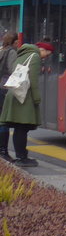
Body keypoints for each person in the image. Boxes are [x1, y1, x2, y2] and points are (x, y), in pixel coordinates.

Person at [0, 40, 53, 167]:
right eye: (47, 53)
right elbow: (33, 81)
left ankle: (21, 156)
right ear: (42, 50)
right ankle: (22, 157)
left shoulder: (22, 54)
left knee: (19, 127)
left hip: (14, 93)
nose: (46, 56)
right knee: (22, 128)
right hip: (24, 97)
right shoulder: (35, 57)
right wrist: (36, 99)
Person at [0, 32, 17, 162]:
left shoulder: (1, 50)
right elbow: (13, 70)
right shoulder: (11, 52)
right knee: (4, 120)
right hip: (4, 88)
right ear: (14, 41)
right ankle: (3, 151)